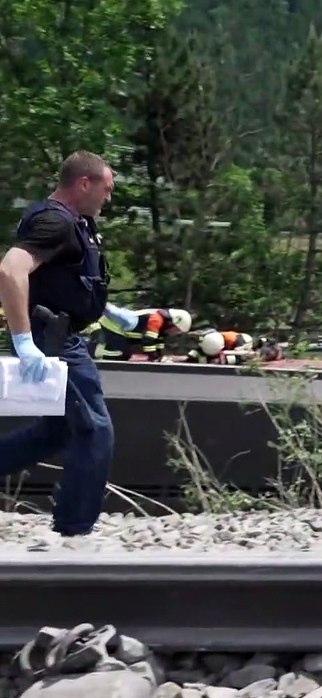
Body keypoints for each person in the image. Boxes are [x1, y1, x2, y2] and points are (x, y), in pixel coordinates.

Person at [0, 150, 127, 538]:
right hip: (52, 342)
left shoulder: (76, 223)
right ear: (84, 184)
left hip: (61, 336)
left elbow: (67, 284)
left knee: (58, 432)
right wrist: (25, 341)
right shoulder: (56, 221)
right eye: (106, 188)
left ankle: (74, 527)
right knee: (95, 430)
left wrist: (112, 313)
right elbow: (10, 270)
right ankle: (76, 531)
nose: (108, 197)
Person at [92, 307, 192, 361]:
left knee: (123, 356)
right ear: (173, 323)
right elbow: (148, 340)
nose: (175, 333)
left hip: (123, 333)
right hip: (114, 327)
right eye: (176, 330)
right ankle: (95, 353)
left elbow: (158, 343)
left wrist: (161, 357)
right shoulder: (156, 319)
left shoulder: (162, 329)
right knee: (120, 355)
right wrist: (154, 358)